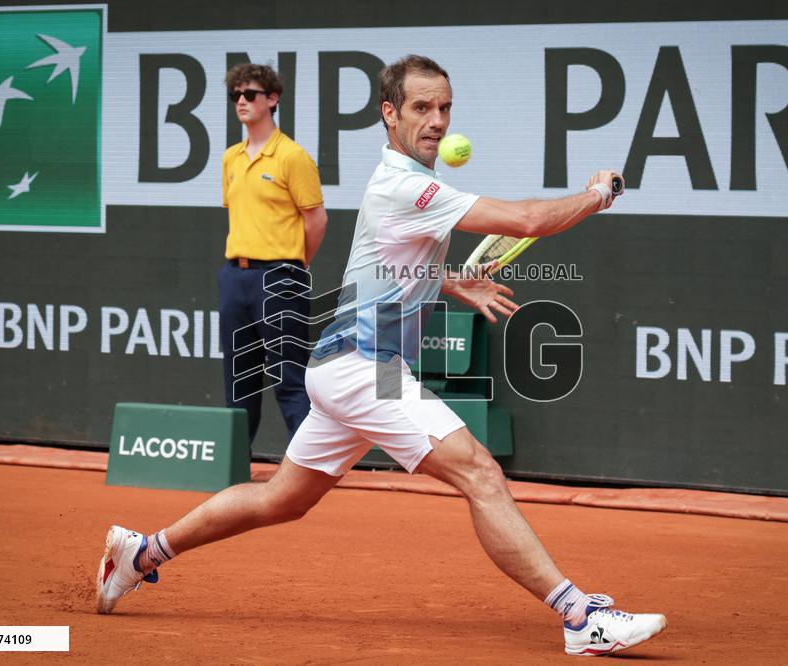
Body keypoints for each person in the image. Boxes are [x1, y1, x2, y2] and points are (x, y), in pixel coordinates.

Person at [97, 55, 666, 657]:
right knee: (480, 472)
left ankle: (143, 551)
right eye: (422, 107)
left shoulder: (398, 183)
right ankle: (580, 616)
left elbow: (387, 260)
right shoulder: (408, 185)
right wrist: (599, 193)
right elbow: (527, 219)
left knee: (280, 499)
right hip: (363, 369)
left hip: (346, 368)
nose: (438, 121)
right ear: (389, 114)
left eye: (445, 107)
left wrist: (449, 281)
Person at [218, 63, 327, 444]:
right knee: (239, 377)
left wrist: (295, 263)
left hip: (280, 277)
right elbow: (240, 215)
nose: (241, 102)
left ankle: (309, 465)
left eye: (250, 94)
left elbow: (316, 221)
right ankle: (234, 466)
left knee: (289, 376)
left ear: (273, 99)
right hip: (235, 277)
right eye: (236, 96)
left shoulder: (292, 157)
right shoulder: (231, 158)